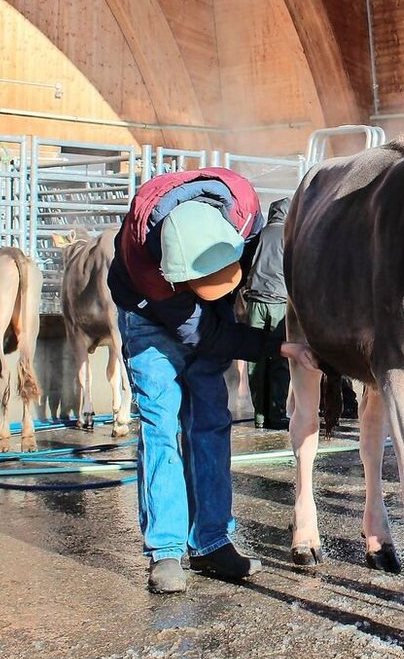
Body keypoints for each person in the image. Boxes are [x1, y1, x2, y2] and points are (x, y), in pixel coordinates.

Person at [108, 169, 318, 594]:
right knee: (162, 425)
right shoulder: (145, 263)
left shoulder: (243, 212)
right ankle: (165, 551)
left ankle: (211, 541)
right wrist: (278, 348)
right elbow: (206, 335)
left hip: (211, 300)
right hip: (150, 318)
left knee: (212, 421)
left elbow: (223, 313)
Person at [242, 198, 292, 431]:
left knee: (256, 359)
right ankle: (277, 414)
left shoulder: (257, 235)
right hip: (280, 305)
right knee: (280, 360)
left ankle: (259, 416)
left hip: (255, 303)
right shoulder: (291, 236)